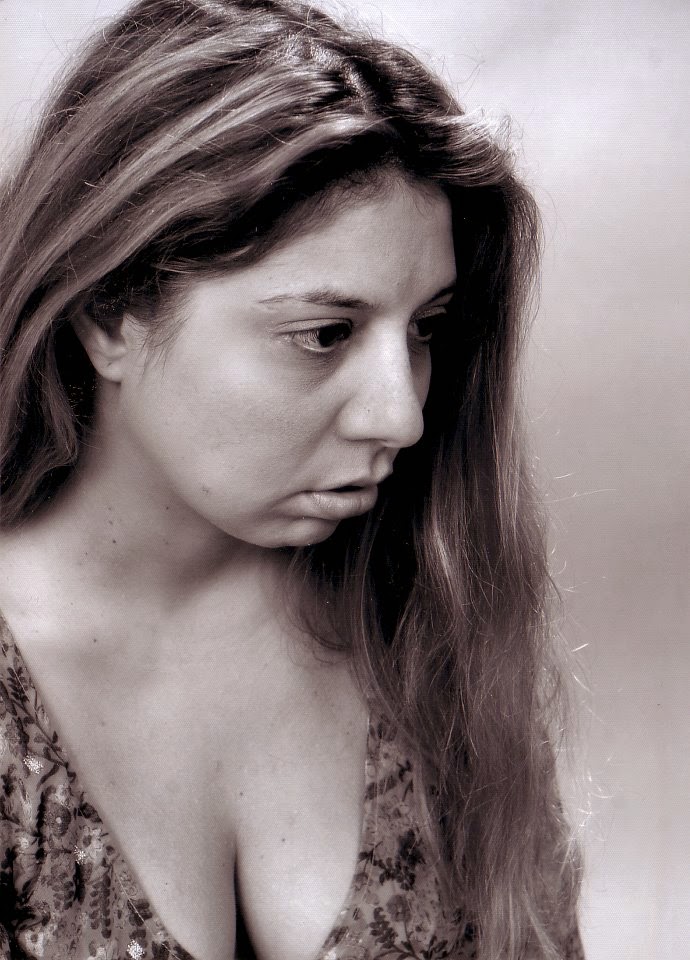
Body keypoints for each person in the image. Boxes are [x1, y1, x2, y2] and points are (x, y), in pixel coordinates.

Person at [0, 0, 585, 958]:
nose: (401, 414)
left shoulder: (423, 641)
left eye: (425, 328)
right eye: (324, 334)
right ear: (110, 314)